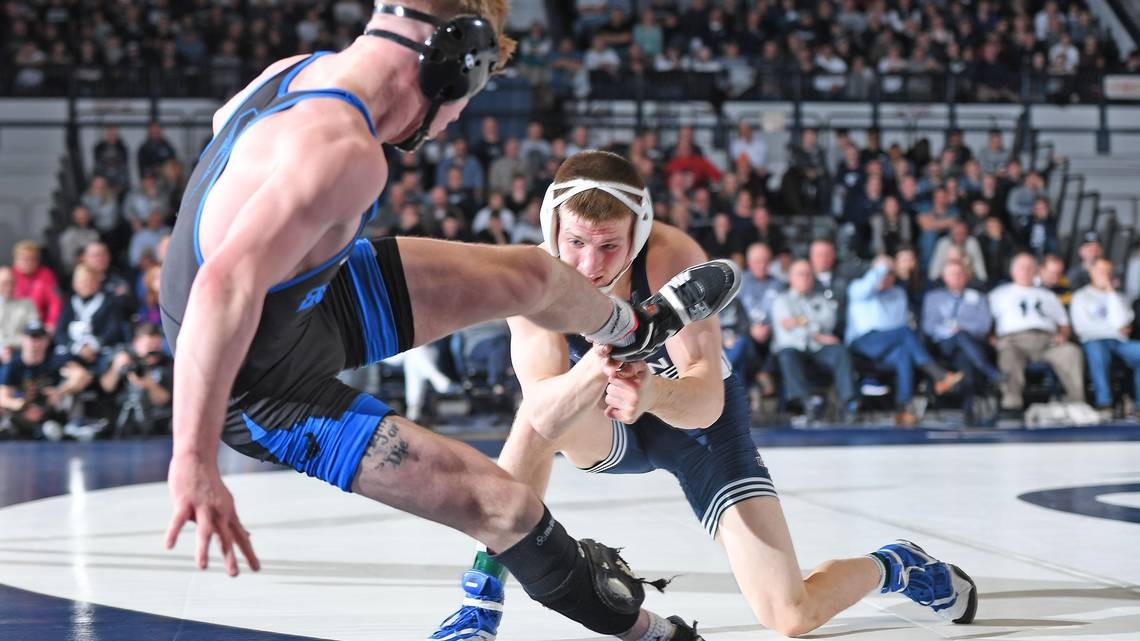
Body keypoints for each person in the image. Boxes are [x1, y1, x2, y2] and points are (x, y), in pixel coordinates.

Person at [157, 4, 736, 639]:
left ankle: (632, 329)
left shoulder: (295, 73)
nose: (453, 122)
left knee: (532, 277)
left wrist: (294, 240)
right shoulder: (347, 154)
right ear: (452, 70)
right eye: (466, 101)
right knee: (506, 508)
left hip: (304, 298)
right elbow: (223, 286)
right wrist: (193, 459)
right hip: (260, 383)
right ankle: (655, 632)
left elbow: (223, 131)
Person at [431, 151, 977, 641]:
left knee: (790, 614)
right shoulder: (536, 279)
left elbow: (707, 400)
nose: (590, 265)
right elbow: (545, 415)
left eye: (608, 246)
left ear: (640, 233)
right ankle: (481, 599)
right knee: (539, 415)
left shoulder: (672, 259)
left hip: (694, 425)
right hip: (603, 421)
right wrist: (600, 364)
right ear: (552, 228)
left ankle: (896, 566)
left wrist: (653, 393)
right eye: (574, 242)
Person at [989, 254, 1084, 411]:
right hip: (1013, 341)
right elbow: (985, 322)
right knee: (1008, 355)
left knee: (1071, 352)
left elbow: (1064, 323)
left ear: (1036, 271)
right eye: (1022, 268)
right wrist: (991, 339)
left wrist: (1063, 335)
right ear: (1013, 271)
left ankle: (1077, 404)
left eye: (1030, 268)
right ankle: (1011, 405)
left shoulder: (1048, 295)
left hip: (1047, 341)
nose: (1026, 271)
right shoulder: (998, 294)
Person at [1070, 258, 1140, 416]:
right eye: (1101, 271)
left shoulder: (1119, 297)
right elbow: (1083, 328)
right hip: (1093, 341)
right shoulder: (1081, 296)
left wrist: (1110, 292)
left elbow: (1123, 322)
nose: (1105, 275)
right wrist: (1113, 329)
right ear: (1091, 272)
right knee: (1097, 352)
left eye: (1109, 271)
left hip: (1118, 342)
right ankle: (1104, 403)